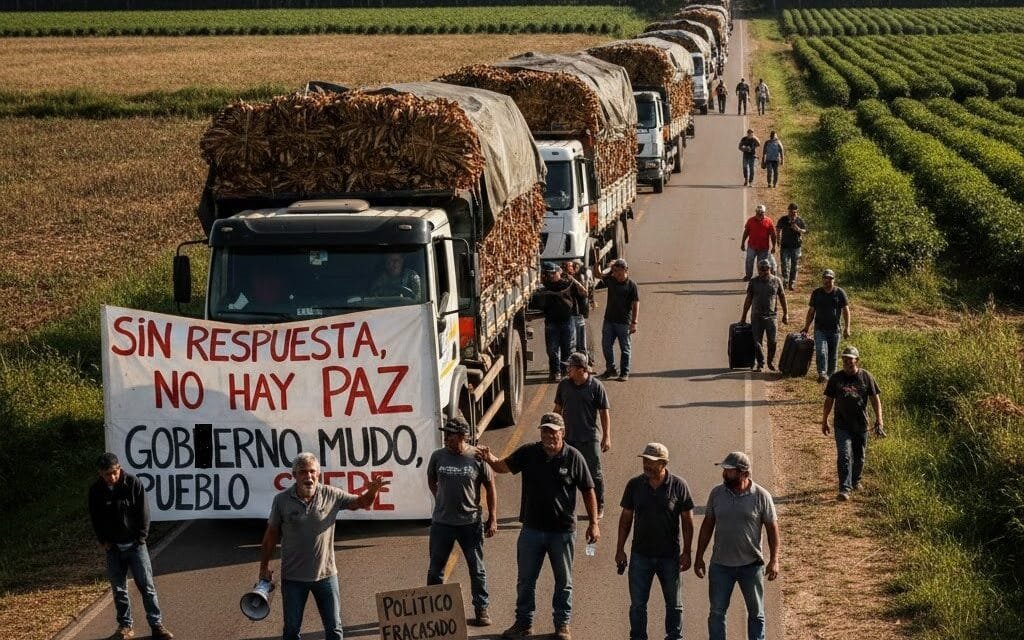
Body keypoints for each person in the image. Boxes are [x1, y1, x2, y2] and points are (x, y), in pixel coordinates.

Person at [477, 413, 600, 640]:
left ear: (562, 433)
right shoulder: (529, 452)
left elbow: (588, 490)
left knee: (563, 582)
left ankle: (562, 625)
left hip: (562, 532)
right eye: (545, 431)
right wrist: (489, 458)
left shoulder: (574, 457)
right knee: (526, 580)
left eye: (553, 431)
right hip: (531, 530)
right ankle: (524, 624)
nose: (548, 435)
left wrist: (593, 523)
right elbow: (503, 466)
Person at [259, 452, 390, 640]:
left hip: (326, 576)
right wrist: (263, 568)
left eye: (312, 472)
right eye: (303, 472)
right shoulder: (281, 500)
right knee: (291, 630)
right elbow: (270, 536)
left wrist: (373, 491)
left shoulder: (331, 494)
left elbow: (361, 503)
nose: (308, 477)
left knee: (334, 629)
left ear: (318, 474)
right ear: (294, 475)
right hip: (293, 578)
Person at [694, 452, 780, 640]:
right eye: (724, 470)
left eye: (729, 471)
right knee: (716, 613)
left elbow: (772, 529)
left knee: (756, 614)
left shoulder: (761, 496)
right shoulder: (716, 493)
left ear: (743, 473)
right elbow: (708, 525)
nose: (724, 474)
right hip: (720, 566)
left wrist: (774, 560)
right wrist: (699, 556)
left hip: (751, 566)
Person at [88, 453, 174, 640]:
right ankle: (125, 626)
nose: (111, 477)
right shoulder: (96, 491)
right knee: (119, 589)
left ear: (119, 469)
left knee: (146, 587)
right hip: (113, 548)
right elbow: (96, 518)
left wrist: (141, 538)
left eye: (113, 472)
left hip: (135, 546)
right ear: (100, 474)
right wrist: (103, 541)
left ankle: (156, 624)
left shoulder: (133, 484)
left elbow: (144, 513)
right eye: (106, 474)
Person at [615, 443, 695, 640]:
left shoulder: (679, 486)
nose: (646, 465)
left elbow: (687, 522)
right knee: (638, 605)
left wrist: (687, 552)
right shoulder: (634, 485)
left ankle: (674, 636)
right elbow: (626, 519)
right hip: (640, 555)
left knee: (674, 605)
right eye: (644, 461)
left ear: (663, 463)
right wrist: (620, 549)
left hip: (669, 556)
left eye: (651, 462)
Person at [426, 416, 497, 626]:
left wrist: (492, 517)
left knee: (477, 569)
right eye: (446, 434)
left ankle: (481, 609)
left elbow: (490, 486)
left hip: (470, 524)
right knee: (435, 569)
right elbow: (431, 479)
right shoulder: (437, 456)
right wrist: (440, 497)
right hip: (442, 524)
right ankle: (433, 609)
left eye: (451, 435)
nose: (446, 438)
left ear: (463, 436)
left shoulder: (477, 456)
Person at [822, 346, 885, 501]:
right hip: (841, 424)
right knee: (844, 455)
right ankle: (844, 488)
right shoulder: (836, 378)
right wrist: (824, 420)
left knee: (859, 456)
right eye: (844, 358)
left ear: (857, 360)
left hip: (861, 425)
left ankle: (856, 481)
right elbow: (829, 400)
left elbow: (875, 399)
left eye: (850, 358)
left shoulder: (866, 377)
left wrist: (879, 419)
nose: (847, 361)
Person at [555, 352, 611, 517]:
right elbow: (557, 410)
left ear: (581, 369)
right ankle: (565, 508)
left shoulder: (596, 387)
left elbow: (604, 413)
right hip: (568, 438)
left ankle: (599, 506)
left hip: (589, 438)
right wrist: (553, 431)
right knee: (564, 474)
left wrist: (607, 436)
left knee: (594, 474)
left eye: (570, 367)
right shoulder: (564, 385)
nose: (567, 370)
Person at [801, 269, 851, 383]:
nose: (827, 281)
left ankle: (832, 376)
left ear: (834, 279)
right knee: (821, 351)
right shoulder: (817, 293)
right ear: (822, 279)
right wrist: (806, 326)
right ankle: (822, 374)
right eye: (825, 278)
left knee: (833, 355)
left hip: (835, 330)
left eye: (830, 278)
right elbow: (811, 311)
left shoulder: (839, 293)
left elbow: (846, 311)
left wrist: (847, 328)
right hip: (820, 329)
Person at [594, 258, 640, 382]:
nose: (618, 275)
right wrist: (598, 263)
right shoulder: (611, 281)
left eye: (620, 272)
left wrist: (634, 322)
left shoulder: (632, 286)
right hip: (609, 321)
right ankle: (610, 369)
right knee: (606, 346)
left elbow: (636, 304)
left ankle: (624, 372)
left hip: (624, 323)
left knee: (625, 348)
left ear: (626, 271)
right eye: (615, 272)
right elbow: (598, 275)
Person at [740, 259, 788, 372]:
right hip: (756, 316)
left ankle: (770, 361)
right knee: (757, 342)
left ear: (769, 269)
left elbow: (782, 297)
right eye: (761, 270)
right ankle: (760, 363)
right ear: (758, 270)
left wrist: (786, 314)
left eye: (765, 269)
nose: (763, 272)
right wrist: (743, 316)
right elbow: (748, 299)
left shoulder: (776, 281)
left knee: (773, 341)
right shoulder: (753, 282)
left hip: (771, 316)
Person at [536, 261, 577, 382]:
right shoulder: (544, 287)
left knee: (566, 349)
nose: (551, 276)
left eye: (553, 273)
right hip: (551, 323)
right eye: (549, 274)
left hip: (566, 321)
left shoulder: (567, 284)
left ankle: (564, 371)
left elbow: (579, 293)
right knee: (552, 350)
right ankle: (555, 372)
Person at [563, 259, 594, 365]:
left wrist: (574, 281)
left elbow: (584, 292)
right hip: (572, 315)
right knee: (574, 342)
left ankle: (585, 362)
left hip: (578, 314)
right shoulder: (566, 280)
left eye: (572, 266)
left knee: (580, 342)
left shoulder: (581, 277)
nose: (571, 269)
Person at [740, 204, 777, 281]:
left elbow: (773, 235)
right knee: (749, 261)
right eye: (758, 212)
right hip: (752, 246)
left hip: (763, 248)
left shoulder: (769, 221)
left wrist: (774, 246)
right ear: (756, 212)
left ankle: (761, 277)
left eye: (761, 213)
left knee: (761, 264)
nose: (760, 214)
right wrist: (743, 243)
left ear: (764, 212)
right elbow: (746, 232)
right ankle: (748, 276)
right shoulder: (750, 220)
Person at [776, 204, 806, 291]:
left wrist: (798, 229)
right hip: (785, 245)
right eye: (790, 212)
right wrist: (778, 240)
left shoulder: (799, 220)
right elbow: (778, 229)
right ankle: (785, 280)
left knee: (794, 265)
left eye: (794, 212)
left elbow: (805, 230)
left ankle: (792, 282)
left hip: (796, 246)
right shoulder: (783, 219)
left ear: (797, 212)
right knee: (784, 264)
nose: (792, 214)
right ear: (788, 211)